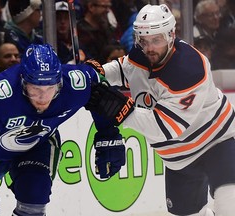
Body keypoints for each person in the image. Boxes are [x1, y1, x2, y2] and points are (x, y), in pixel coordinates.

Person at [0, 43, 133, 216]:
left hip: (37, 145)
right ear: (23, 82)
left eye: (50, 88)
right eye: (35, 89)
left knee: (35, 195)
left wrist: (108, 135)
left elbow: (100, 91)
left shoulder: (76, 82)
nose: (43, 97)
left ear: (60, 82)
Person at [88, 4, 235, 216]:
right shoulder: (141, 54)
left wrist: (120, 110)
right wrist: (95, 73)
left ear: (171, 35)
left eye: (156, 40)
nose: (149, 47)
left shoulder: (189, 69)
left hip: (217, 141)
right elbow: (124, 69)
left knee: (229, 208)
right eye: (143, 40)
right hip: (178, 158)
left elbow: (166, 128)